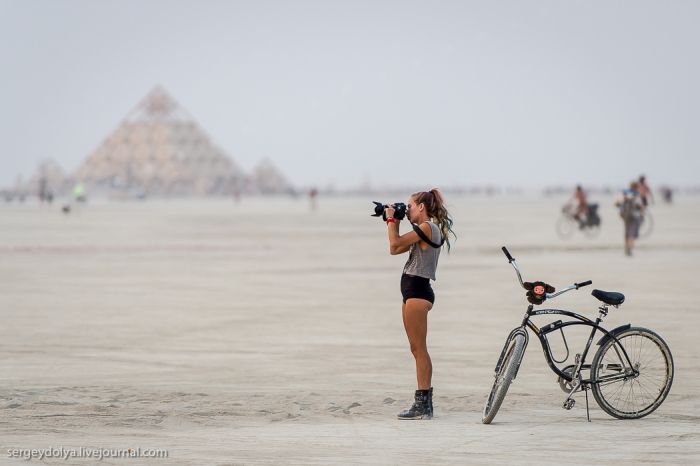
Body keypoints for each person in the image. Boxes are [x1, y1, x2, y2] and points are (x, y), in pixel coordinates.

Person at [384, 188, 455, 420]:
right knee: (416, 349)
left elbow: (394, 245)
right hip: (413, 292)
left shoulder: (427, 228)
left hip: (418, 292)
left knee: (420, 350)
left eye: (410, 206)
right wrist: (391, 219)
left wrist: (393, 218)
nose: (408, 210)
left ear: (422, 207)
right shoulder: (424, 231)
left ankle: (423, 403)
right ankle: (423, 403)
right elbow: (396, 248)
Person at [615, 181, 644, 256]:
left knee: (626, 232)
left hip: (624, 216)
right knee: (632, 234)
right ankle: (629, 249)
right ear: (636, 186)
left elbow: (616, 203)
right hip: (633, 216)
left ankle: (626, 248)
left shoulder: (624, 192)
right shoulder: (636, 193)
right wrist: (642, 214)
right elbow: (641, 206)